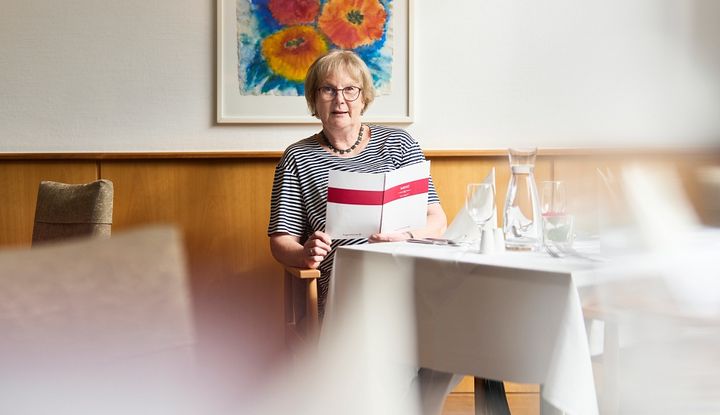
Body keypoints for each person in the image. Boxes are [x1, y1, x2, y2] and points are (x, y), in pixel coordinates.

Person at [268, 49, 447, 315]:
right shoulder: (298, 157)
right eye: (328, 90)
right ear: (314, 100)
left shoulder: (400, 143)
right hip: (345, 279)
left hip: (404, 266)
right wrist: (305, 253)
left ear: (364, 98)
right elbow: (281, 240)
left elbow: (436, 218)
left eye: (350, 89)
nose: (340, 99)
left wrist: (405, 238)